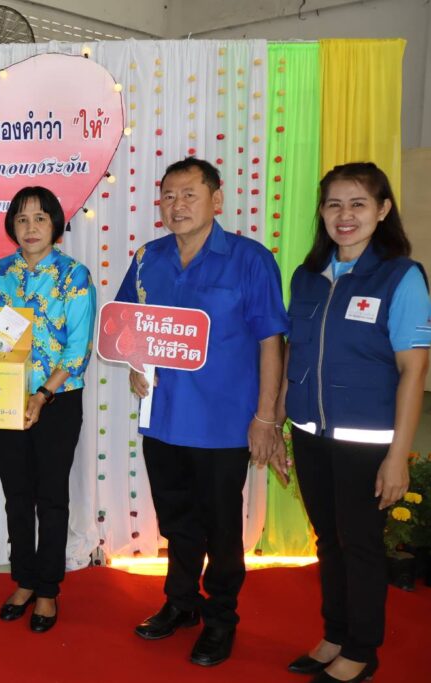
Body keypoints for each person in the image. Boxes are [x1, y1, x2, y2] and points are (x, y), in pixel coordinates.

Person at [115, 157, 288, 666]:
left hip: (223, 424)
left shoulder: (250, 260)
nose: (177, 205)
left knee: (222, 528)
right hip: (162, 418)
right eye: (168, 195)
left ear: (217, 199)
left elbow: (271, 342)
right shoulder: (148, 258)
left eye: (189, 194)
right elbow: (127, 324)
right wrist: (135, 362)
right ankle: (180, 602)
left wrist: (266, 419)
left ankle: (221, 619)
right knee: (176, 520)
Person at [273, 162, 431, 683]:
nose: (345, 215)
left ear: (382, 210)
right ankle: (335, 634)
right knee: (328, 539)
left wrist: (398, 457)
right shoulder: (307, 276)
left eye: (358, 204)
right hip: (310, 435)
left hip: (367, 443)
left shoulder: (400, 276)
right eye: (334, 204)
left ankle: (362, 650)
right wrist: (275, 422)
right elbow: (294, 352)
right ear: (321, 212)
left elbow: (414, 370)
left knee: (360, 544)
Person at [0, 185, 96, 634]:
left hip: (57, 401)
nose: (31, 227)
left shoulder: (74, 275)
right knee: (17, 495)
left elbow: (78, 350)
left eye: (40, 218)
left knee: (51, 496)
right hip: (4, 398)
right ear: (12, 225)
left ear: (55, 225)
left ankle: (48, 588)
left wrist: (42, 395)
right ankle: (24, 580)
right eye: (22, 219)